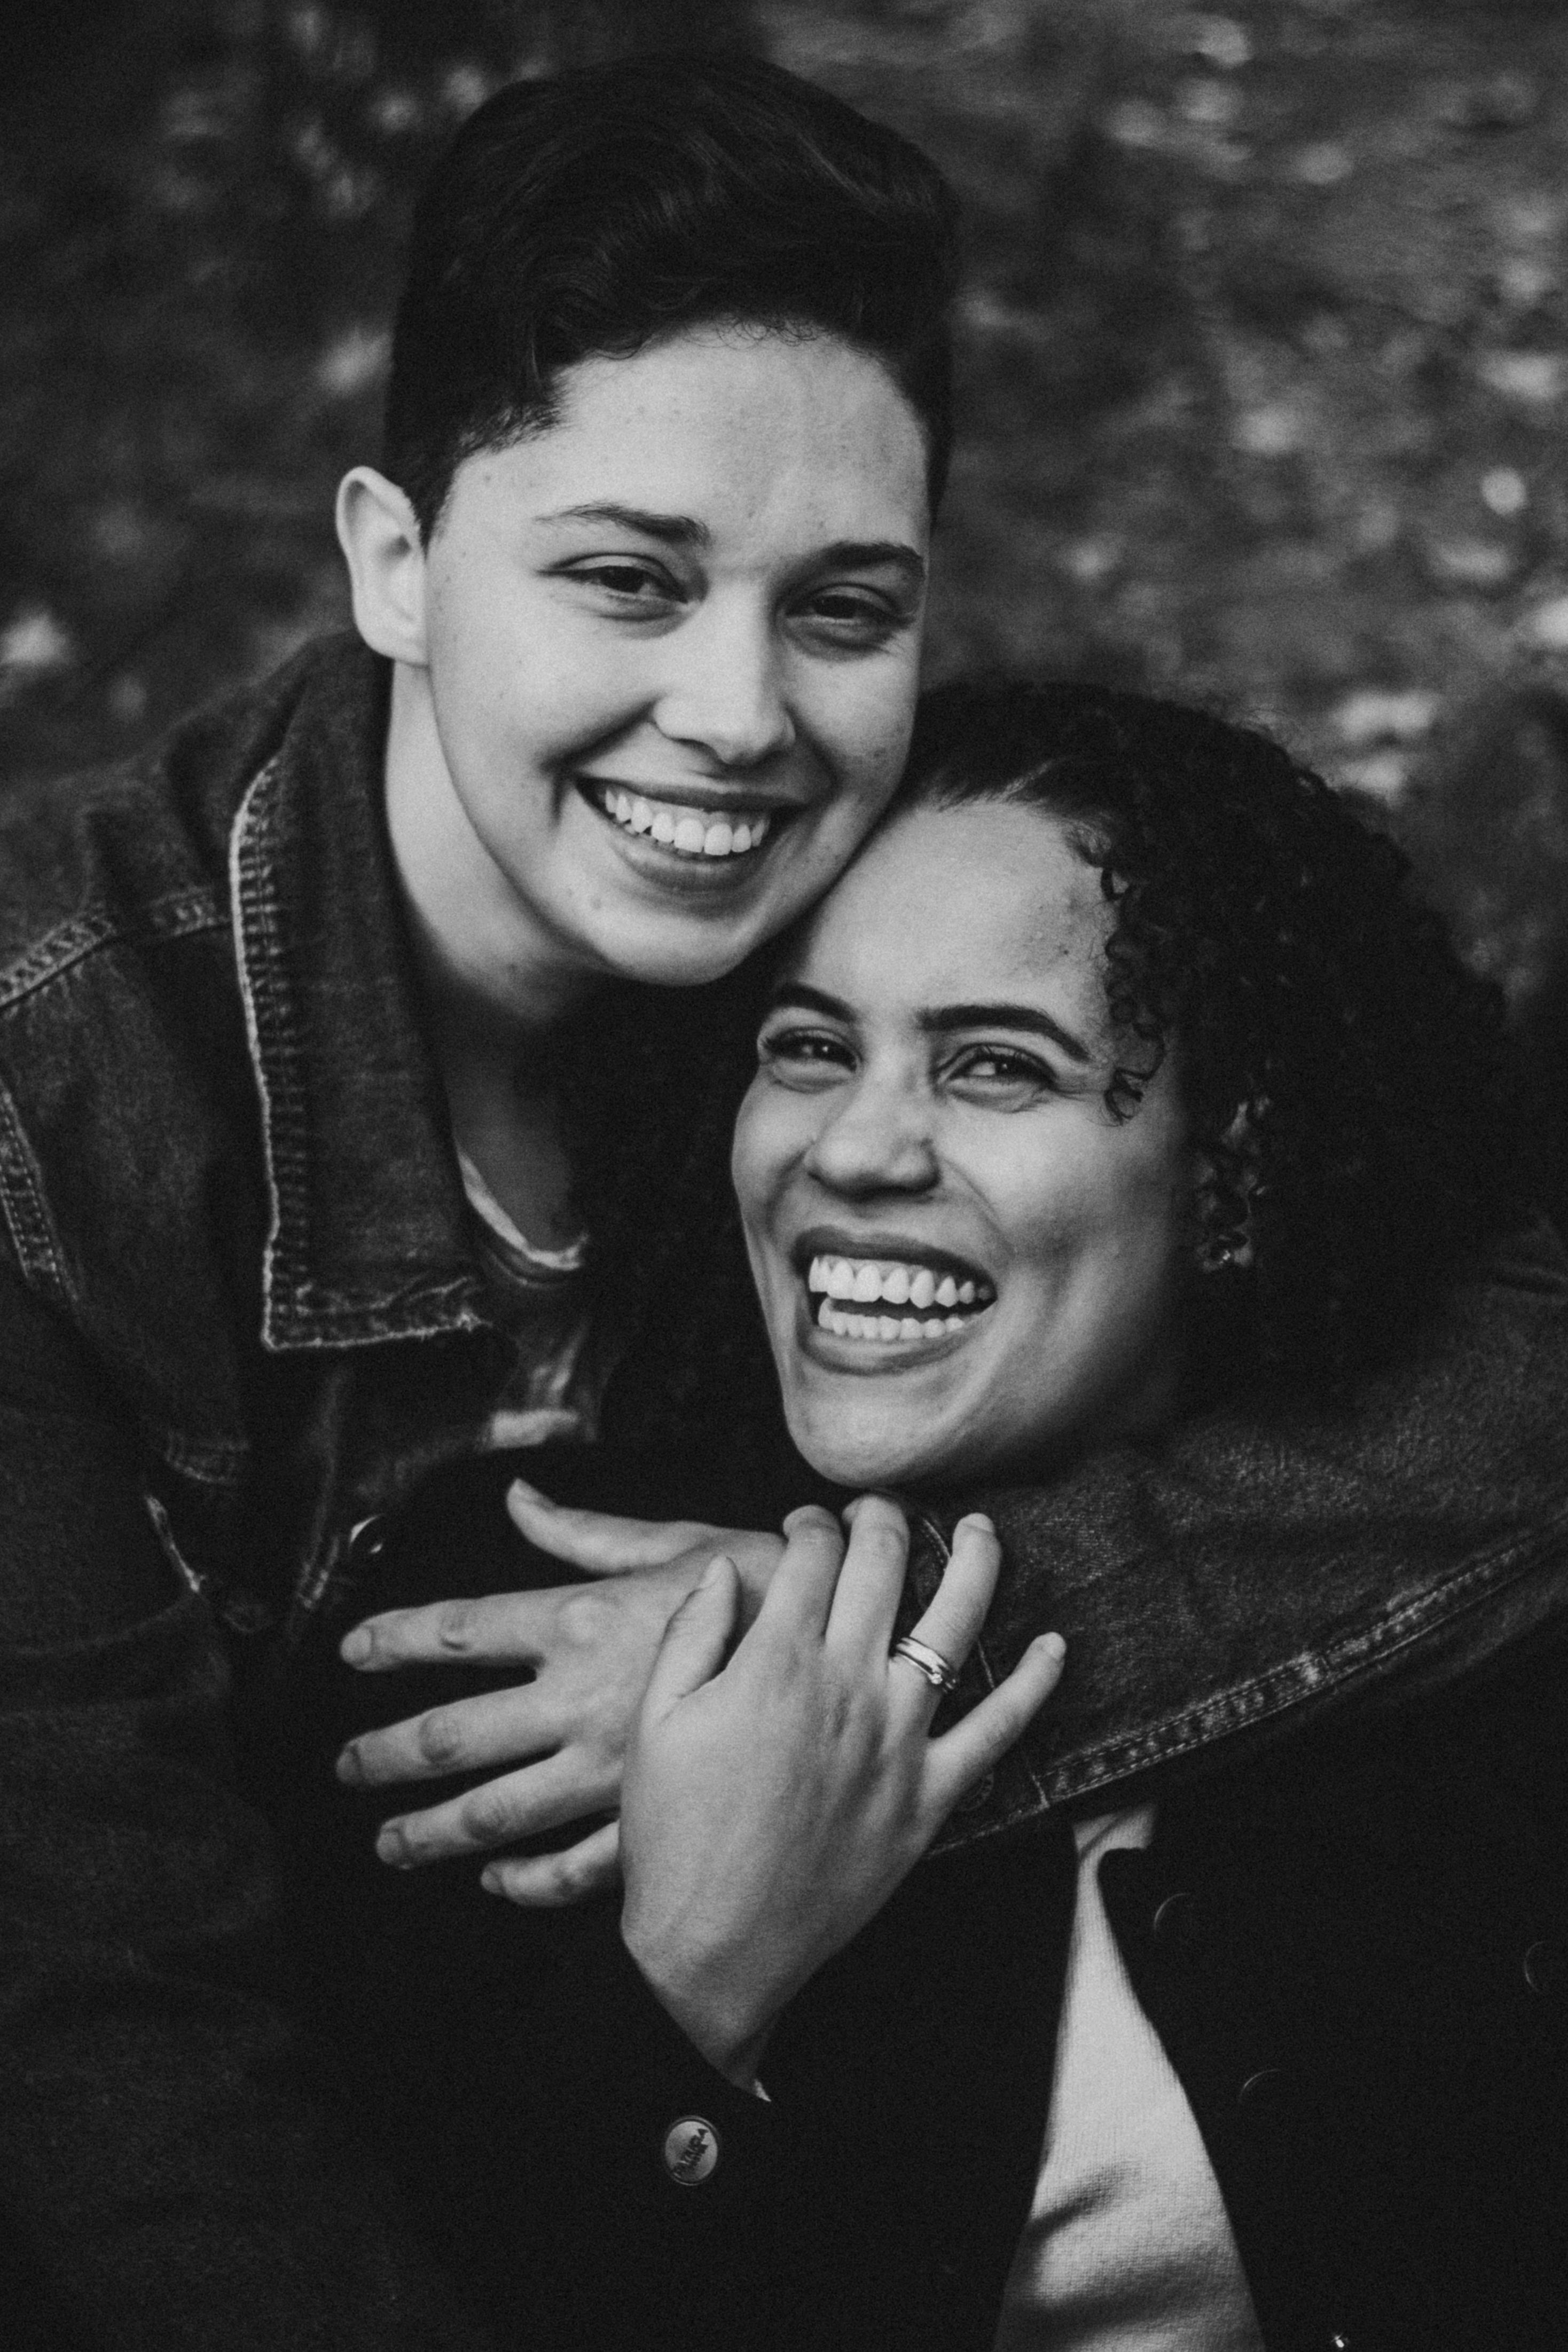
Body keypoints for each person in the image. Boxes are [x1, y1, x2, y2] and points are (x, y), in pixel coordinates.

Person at [1, 50, 1566, 2352]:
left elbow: (1500, 1314)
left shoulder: (843, 911)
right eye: (628, 582)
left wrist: (860, 1640)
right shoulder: (56, 1094)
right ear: (393, 562)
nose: (734, 714)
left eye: (840, 605)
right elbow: (105, 2050)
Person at [307, 680, 1565, 2349]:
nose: (858, 1146)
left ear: (1234, 1173)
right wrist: (689, 1985)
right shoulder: (511, 1630)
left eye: (993, 1065)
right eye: (812, 1047)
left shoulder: (1475, 1675)